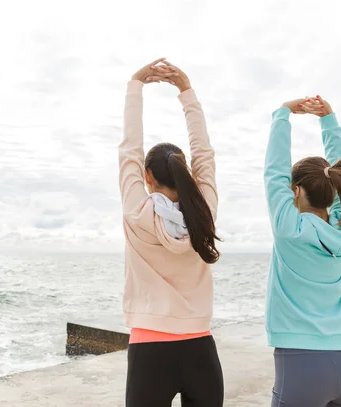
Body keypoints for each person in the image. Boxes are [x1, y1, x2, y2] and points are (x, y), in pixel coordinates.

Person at [119, 58, 224, 407]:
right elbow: (204, 154)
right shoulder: (203, 212)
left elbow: (129, 149)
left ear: (146, 177)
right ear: (187, 175)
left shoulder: (138, 209)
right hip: (200, 351)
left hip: (149, 351)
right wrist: (186, 91)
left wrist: (136, 84)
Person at [264, 95, 341, 407]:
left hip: (299, 371)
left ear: (294, 191)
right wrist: (329, 120)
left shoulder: (289, 229)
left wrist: (283, 114)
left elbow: (273, 172)